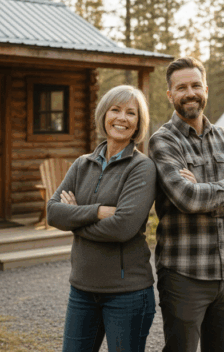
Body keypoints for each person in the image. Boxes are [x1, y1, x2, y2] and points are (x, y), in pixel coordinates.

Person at [148, 57, 224, 352]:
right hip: (183, 274)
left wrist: (204, 192)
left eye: (196, 85)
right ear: (170, 95)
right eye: (181, 87)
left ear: (206, 89)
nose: (190, 92)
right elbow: (187, 198)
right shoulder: (163, 142)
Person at [47, 84, 157, 352]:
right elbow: (52, 212)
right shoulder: (82, 164)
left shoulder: (142, 167)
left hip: (128, 294)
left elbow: (122, 228)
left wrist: (74, 221)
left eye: (131, 113)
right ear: (103, 115)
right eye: (115, 110)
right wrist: (96, 212)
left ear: (138, 123)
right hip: (82, 291)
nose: (121, 118)